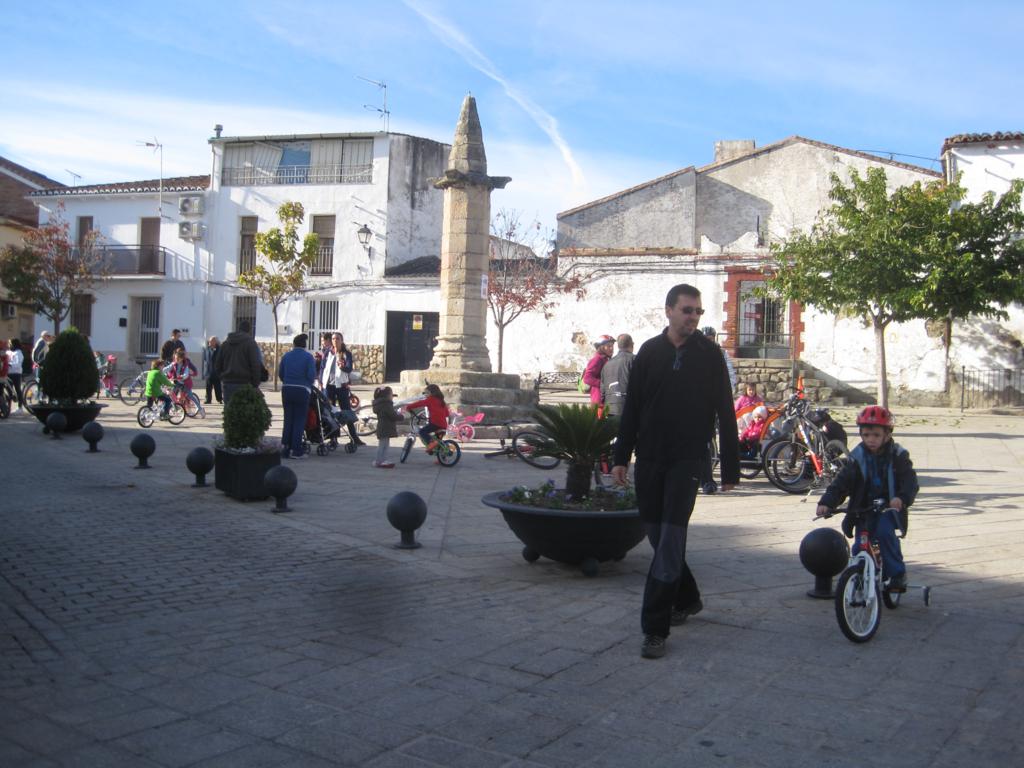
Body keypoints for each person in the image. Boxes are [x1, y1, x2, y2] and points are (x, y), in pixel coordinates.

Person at [611, 283, 739, 660]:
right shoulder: (649, 353)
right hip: (650, 458)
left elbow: (725, 411)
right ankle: (688, 597)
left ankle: (654, 628)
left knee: (669, 541)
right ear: (668, 310)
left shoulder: (709, 355)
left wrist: (730, 468)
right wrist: (621, 457)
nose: (693, 317)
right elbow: (632, 409)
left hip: (687, 461)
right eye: (687, 310)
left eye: (698, 311)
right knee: (657, 536)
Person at [816, 405, 919, 591]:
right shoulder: (857, 457)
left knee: (885, 534)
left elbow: (909, 481)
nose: (871, 439)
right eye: (866, 435)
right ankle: (861, 576)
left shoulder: (897, 456)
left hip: (888, 508)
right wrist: (826, 502)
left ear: (887, 434)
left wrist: (901, 498)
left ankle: (897, 575)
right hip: (862, 509)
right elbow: (841, 483)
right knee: (859, 548)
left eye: (876, 435)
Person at [319, 332, 364, 446]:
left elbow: (349, 369)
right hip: (328, 386)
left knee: (346, 411)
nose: (335, 340)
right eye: (333, 339)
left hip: (341, 386)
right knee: (330, 412)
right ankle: (333, 438)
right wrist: (320, 380)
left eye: (337, 339)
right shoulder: (327, 352)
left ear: (341, 340)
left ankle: (354, 437)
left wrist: (342, 367)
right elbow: (322, 367)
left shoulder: (346, 353)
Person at [278, 334, 317, 460]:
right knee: (299, 420)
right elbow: (311, 375)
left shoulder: (286, 356)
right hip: (302, 390)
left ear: (294, 344)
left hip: (287, 389)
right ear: (305, 345)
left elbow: (281, 374)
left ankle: (285, 448)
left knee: (288, 419)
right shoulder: (308, 357)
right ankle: (296, 450)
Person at [215, 320, 262, 404]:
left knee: (229, 410)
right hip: (245, 384)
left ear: (238, 329)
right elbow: (256, 365)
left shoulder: (225, 344)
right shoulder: (251, 344)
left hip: (228, 384)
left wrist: (223, 378)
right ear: (249, 330)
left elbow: (217, 365)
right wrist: (255, 384)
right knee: (244, 410)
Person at [403, 384, 451, 454]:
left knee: (422, 432)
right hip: (443, 425)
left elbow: (419, 403)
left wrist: (408, 407)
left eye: (427, 393)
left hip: (435, 423)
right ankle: (440, 455)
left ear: (432, 393)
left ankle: (430, 443)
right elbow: (447, 414)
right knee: (438, 442)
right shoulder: (442, 401)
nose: (425, 395)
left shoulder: (430, 400)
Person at [600, 334, 635, 417]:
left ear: (618, 346)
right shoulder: (635, 360)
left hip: (610, 408)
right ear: (632, 345)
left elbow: (602, 390)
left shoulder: (607, 364)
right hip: (629, 409)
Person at [371, 386, 403, 468]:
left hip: (383, 427)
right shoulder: (386, 404)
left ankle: (381, 460)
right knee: (383, 446)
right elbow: (392, 415)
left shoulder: (381, 404)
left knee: (384, 445)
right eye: (392, 395)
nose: (392, 397)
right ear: (387, 395)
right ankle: (380, 461)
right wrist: (401, 416)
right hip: (385, 427)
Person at [167, 348, 204, 417]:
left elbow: (191, 371)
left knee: (189, 396)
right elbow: (169, 370)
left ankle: (200, 408)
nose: (176, 359)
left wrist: (192, 374)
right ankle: (176, 408)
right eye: (176, 357)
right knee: (173, 394)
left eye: (178, 357)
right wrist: (167, 376)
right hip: (176, 382)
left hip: (186, 382)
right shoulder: (174, 363)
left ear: (181, 357)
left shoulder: (186, 363)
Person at [582, 334, 615, 405]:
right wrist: (603, 384)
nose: (611, 348)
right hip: (598, 400)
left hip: (605, 398)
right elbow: (587, 378)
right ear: (601, 347)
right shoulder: (597, 360)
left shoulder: (605, 359)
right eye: (608, 346)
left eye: (612, 346)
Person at [701, 326, 737, 390]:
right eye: (705, 339)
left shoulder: (722, 353)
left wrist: (729, 389)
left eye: (710, 339)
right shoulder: (696, 352)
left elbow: (730, 372)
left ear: (714, 339)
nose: (707, 341)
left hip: (717, 388)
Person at [6, 338, 25, 410]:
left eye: (10, 344)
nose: (9, 345)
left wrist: (9, 364)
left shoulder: (18, 353)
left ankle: (20, 407)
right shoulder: (8, 352)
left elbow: (17, 364)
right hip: (8, 373)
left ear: (14, 344)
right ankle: (8, 408)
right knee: (9, 391)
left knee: (17, 389)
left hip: (16, 373)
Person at [202, 336, 222, 404]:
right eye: (209, 341)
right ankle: (208, 399)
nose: (209, 342)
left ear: (215, 342)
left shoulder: (219, 349)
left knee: (217, 386)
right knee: (208, 387)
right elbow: (205, 360)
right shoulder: (207, 349)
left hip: (217, 371)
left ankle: (219, 399)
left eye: (211, 341)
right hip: (208, 371)